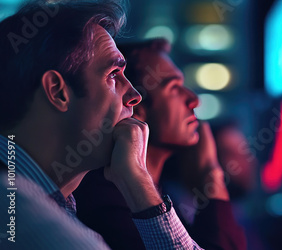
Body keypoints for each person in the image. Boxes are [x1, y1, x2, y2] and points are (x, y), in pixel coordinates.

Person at [0, 1, 201, 249]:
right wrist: (138, 180)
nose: (135, 95)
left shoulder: (48, 206)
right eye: (114, 75)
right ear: (57, 91)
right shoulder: (32, 222)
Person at [73, 38, 247, 250]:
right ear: (134, 104)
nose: (193, 100)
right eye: (174, 88)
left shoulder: (160, 193)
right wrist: (211, 175)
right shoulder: (108, 205)